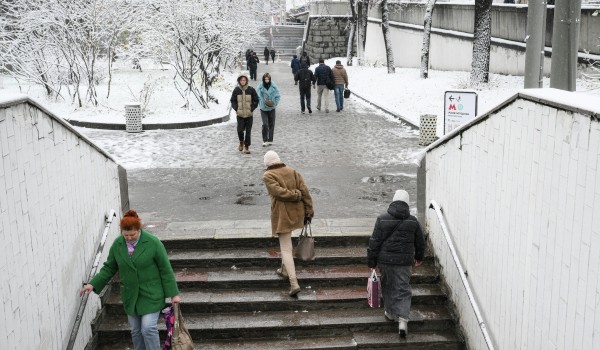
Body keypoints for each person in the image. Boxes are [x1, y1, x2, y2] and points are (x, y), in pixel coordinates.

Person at [80, 210, 180, 350]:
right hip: (130, 295)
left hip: (152, 293)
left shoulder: (153, 243)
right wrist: (93, 284)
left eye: (132, 235)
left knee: (148, 328)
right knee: (136, 331)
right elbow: (109, 267)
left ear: (139, 229)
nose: (128, 238)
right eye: (125, 235)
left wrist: (173, 294)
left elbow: (165, 269)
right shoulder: (118, 245)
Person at [367, 190, 425, 338]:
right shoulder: (413, 221)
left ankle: (391, 313)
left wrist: (372, 262)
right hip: (405, 262)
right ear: (407, 203)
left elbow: (374, 243)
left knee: (388, 285)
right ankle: (403, 320)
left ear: (393, 201)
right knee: (403, 288)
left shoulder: (382, 219)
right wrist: (419, 257)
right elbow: (420, 242)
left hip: (385, 261)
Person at [262, 150, 314, 297]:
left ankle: (293, 283)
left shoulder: (268, 175)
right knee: (287, 247)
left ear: (267, 163)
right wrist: (309, 210)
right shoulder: (292, 171)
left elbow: (279, 192)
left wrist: (295, 195)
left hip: (283, 215)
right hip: (297, 213)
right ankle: (284, 270)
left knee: (285, 249)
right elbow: (305, 191)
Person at [230, 73, 259, 154]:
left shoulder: (251, 89)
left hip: (249, 115)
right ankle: (241, 142)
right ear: (239, 81)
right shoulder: (236, 90)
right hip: (240, 115)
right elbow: (232, 100)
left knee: (248, 132)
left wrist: (252, 108)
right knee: (240, 130)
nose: (243, 81)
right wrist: (236, 108)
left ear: (246, 81)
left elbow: (256, 100)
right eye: (241, 80)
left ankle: (246, 147)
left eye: (244, 80)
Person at [256, 72, 281, 147]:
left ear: (270, 79)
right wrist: (260, 103)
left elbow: (278, 95)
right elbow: (257, 96)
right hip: (263, 108)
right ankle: (265, 139)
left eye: (268, 79)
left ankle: (270, 139)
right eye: (265, 79)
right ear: (263, 79)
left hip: (271, 108)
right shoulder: (260, 87)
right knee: (265, 124)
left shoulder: (274, 86)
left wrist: (275, 103)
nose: (267, 80)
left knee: (271, 123)